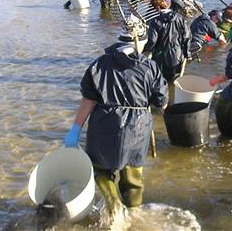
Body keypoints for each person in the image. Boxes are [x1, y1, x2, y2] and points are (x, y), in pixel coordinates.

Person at [63, 32, 168, 214]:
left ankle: (113, 205)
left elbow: (88, 100)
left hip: (105, 124)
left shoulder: (99, 64)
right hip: (138, 127)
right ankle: (134, 213)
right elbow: (162, 102)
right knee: (133, 175)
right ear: (140, 42)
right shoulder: (150, 66)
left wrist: (75, 129)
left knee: (101, 169)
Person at [143, 0, 191, 82]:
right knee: (173, 79)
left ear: (156, 8)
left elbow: (152, 40)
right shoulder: (180, 18)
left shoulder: (154, 21)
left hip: (161, 55)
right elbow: (187, 36)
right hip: (177, 54)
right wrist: (187, 53)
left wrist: (145, 50)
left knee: (159, 80)